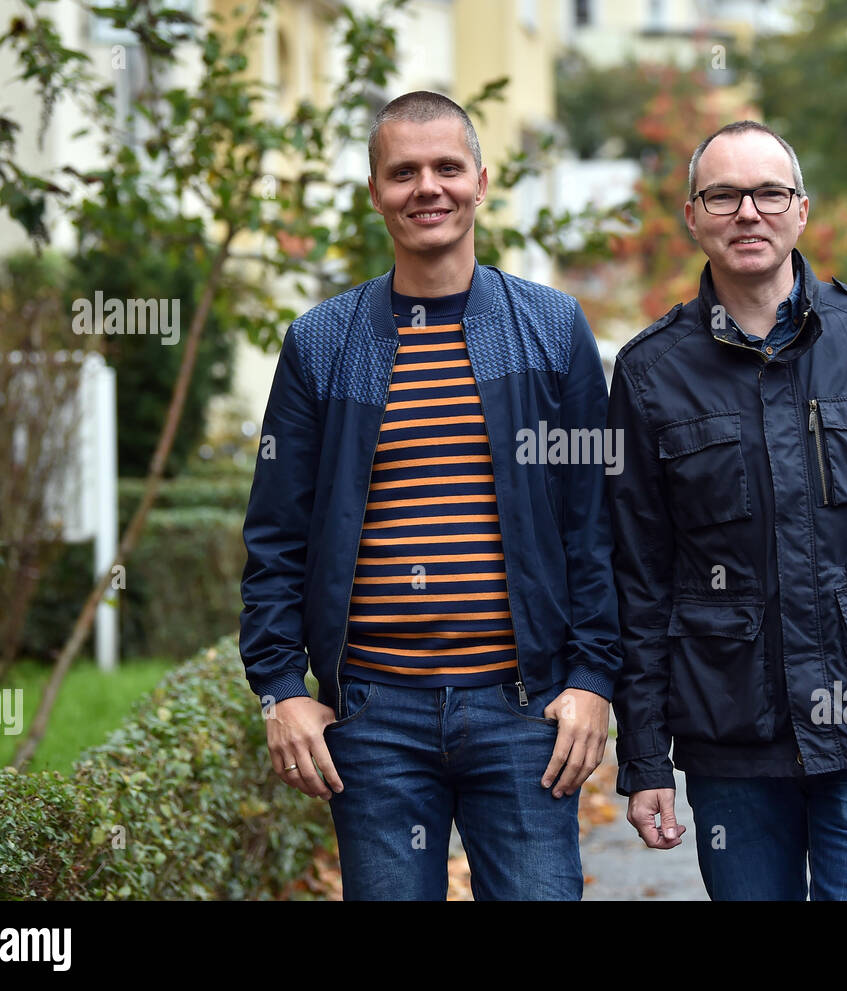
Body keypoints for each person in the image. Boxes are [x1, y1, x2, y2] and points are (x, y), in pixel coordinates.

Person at [239, 91, 621, 900]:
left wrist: (592, 679)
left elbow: (595, 526)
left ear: (481, 180)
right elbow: (277, 532)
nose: (428, 187)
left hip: (525, 714)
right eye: (403, 171)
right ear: (374, 192)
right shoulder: (322, 342)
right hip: (373, 719)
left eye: (447, 167)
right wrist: (279, 688)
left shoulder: (553, 330)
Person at [607, 121, 847, 900]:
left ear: (801, 210)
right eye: (723, 195)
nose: (747, 212)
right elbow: (638, 580)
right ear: (693, 215)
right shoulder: (650, 373)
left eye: (768, 193)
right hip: (731, 741)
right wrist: (644, 758)